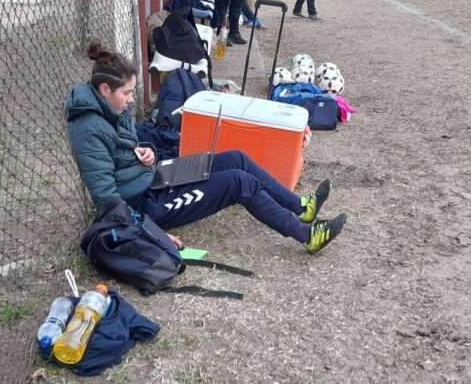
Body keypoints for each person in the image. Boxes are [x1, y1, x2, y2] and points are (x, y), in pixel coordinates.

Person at [67, 41, 347, 255]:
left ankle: (300, 207)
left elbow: (125, 148)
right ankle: (307, 236)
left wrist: (143, 151)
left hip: (155, 177)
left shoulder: (114, 108)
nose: (130, 99)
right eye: (126, 93)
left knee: (237, 157)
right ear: (105, 89)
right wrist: (150, 232)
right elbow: (107, 200)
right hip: (145, 204)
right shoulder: (88, 128)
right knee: (238, 183)